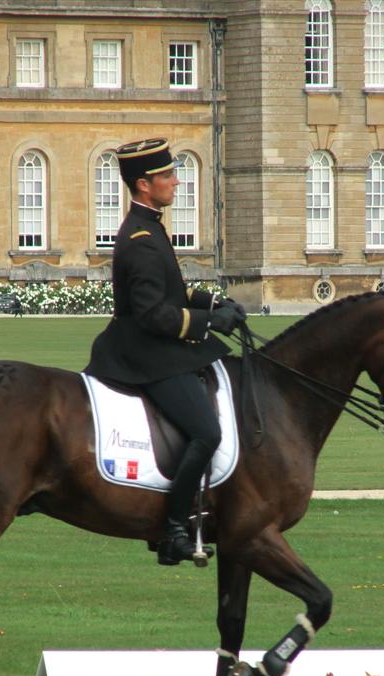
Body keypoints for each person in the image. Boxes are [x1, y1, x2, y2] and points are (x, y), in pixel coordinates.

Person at [84, 138, 246, 566]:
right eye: (167, 176)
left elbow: (171, 288)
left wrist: (212, 303)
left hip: (153, 345)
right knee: (207, 433)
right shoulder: (140, 237)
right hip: (144, 353)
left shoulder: (150, 225)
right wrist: (211, 324)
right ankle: (174, 529)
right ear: (143, 185)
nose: (176, 181)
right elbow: (153, 314)